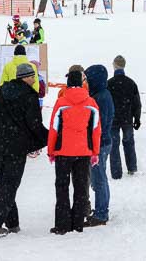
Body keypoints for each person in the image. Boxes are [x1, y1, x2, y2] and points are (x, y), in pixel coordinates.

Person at [0, 63, 47, 237]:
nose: (34, 79)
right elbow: (34, 124)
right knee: (10, 185)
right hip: (16, 146)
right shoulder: (29, 96)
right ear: (26, 77)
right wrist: (48, 137)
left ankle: (13, 223)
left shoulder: (1, 93)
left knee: (5, 183)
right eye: (32, 76)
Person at [47, 68, 101, 235]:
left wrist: (51, 150)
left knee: (62, 187)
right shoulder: (91, 102)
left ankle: (62, 224)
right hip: (84, 151)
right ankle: (78, 223)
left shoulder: (61, 103)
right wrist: (95, 152)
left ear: (68, 83)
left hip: (63, 151)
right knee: (80, 186)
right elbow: (96, 130)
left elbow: (54, 129)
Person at [83, 64, 114, 227]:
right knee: (99, 178)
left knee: (99, 179)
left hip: (99, 144)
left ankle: (102, 213)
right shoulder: (100, 94)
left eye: (89, 79)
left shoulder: (100, 97)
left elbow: (98, 123)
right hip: (102, 142)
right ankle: (101, 210)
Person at [107, 55, 141, 179]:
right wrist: (137, 118)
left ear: (114, 65)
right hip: (127, 118)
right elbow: (137, 102)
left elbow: (106, 103)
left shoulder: (109, 83)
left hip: (113, 119)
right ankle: (132, 167)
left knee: (114, 145)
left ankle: (116, 173)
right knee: (129, 142)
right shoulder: (131, 83)